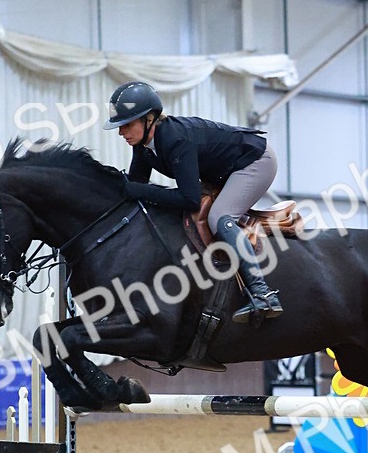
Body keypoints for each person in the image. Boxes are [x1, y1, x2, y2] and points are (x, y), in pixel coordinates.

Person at [104, 80, 282, 323]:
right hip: (224, 170)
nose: (121, 132)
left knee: (219, 216)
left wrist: (136, 190)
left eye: (127, 124)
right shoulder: (144, 145)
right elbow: (135, 188)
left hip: (255, 161)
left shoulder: (176, 140)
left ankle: (262, 293)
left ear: (149, 119)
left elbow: (188, 200)